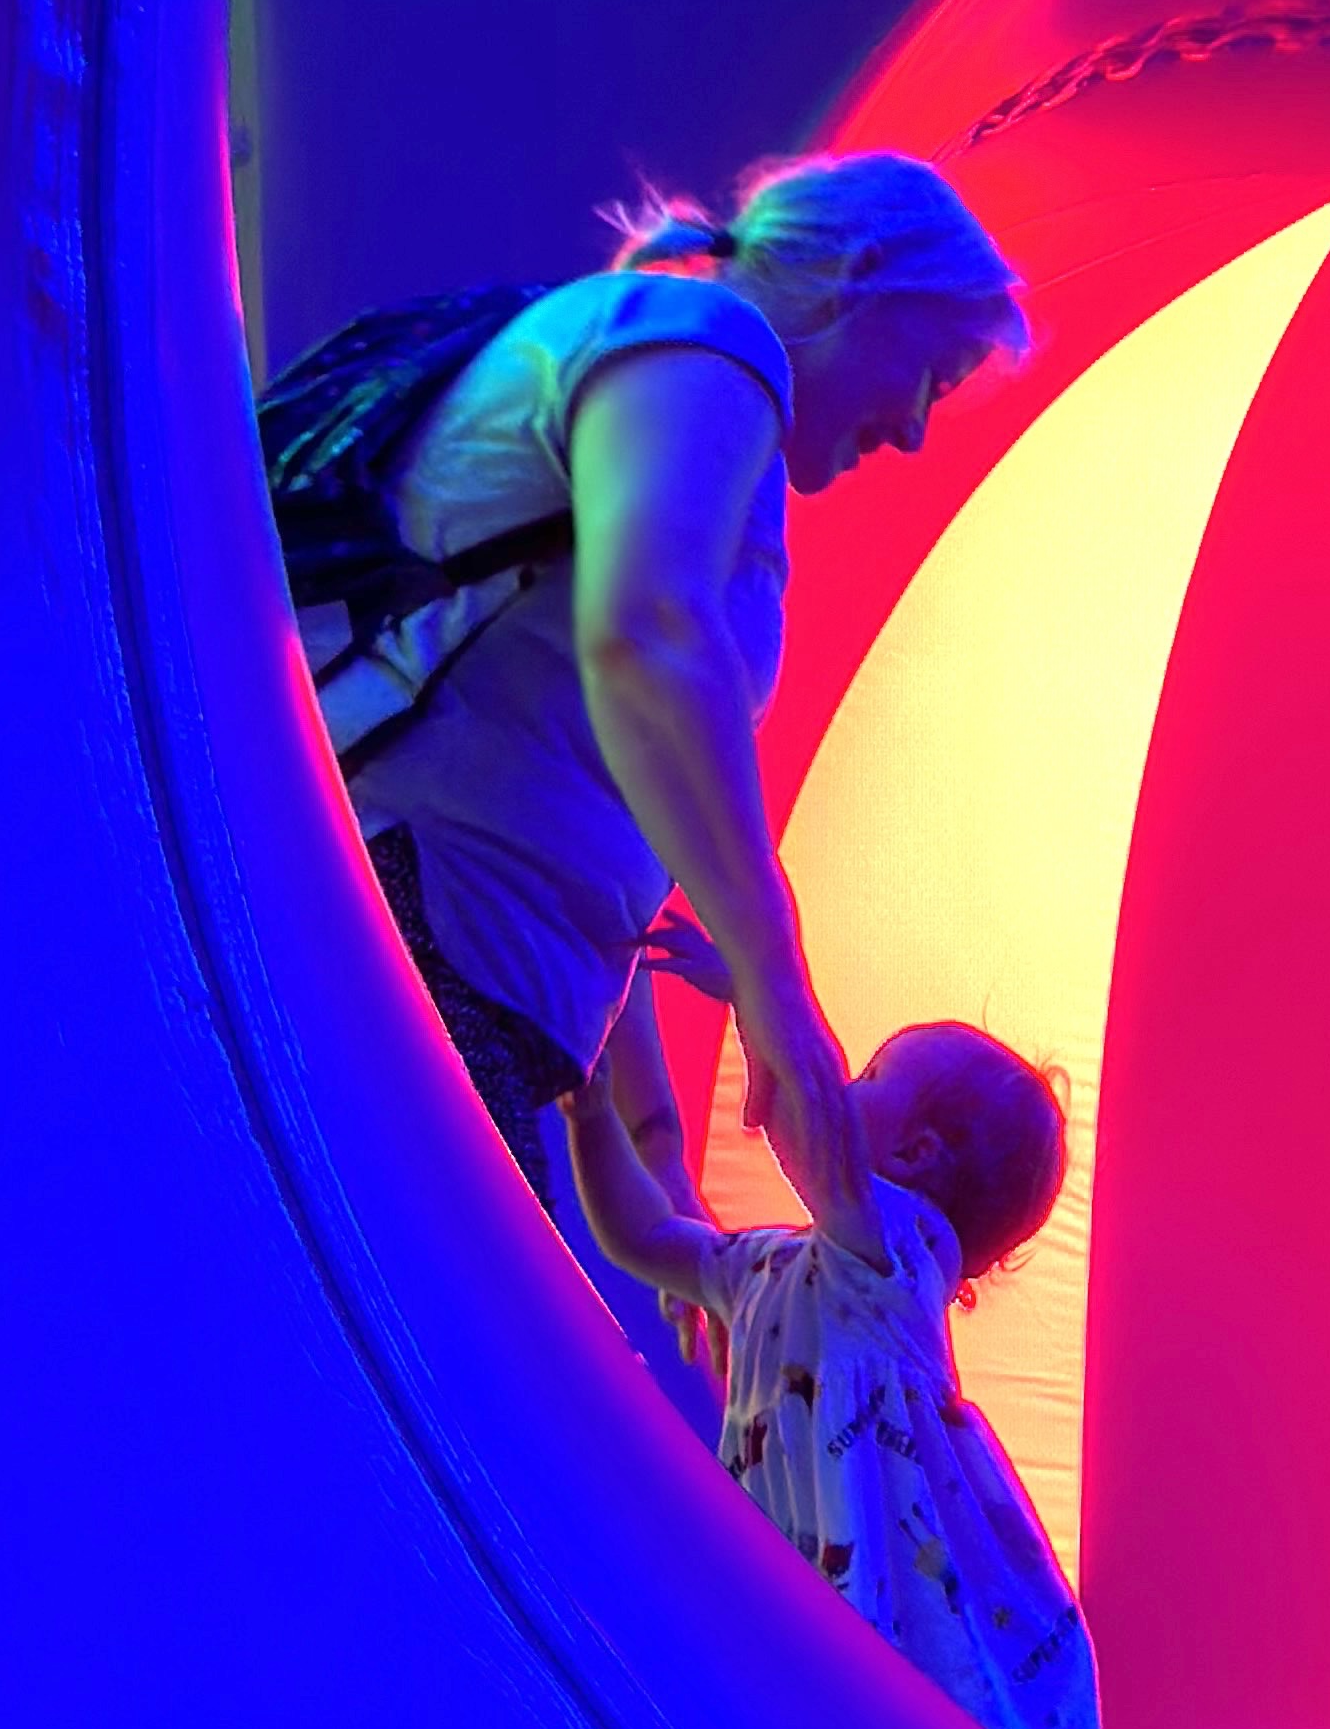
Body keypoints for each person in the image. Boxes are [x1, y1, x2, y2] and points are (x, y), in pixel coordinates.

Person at [288, 151, 1034, 1347]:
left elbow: (615, 801)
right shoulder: (706, 345)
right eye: (931, 381)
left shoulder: (733, 452)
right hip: (411, 939)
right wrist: (776, 989)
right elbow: (643, 638)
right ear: (857, 278)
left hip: (484, 999)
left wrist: (656, 1162)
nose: (907, 432)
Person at [569, 1013, 1108, 1729]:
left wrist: (757, 998)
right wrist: (584, 1108)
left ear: (915, 1155)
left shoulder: (900, 1262)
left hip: (875, 1594)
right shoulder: (775, 1265)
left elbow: (809, 1140)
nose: (840, 1083)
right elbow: (646, 1236)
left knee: (907, 1723)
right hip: (790, 1579)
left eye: (868, 1077)